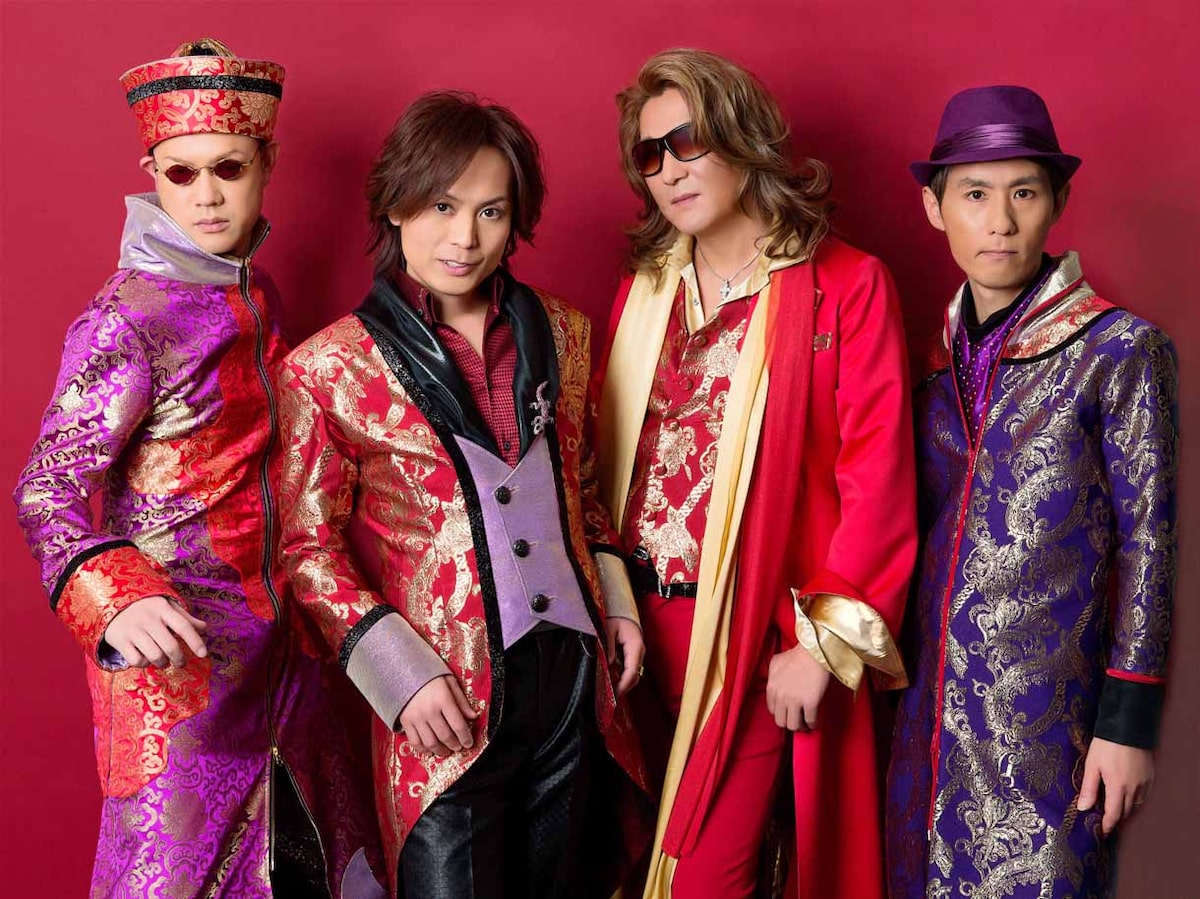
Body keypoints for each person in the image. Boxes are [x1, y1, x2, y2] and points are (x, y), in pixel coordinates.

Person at [13, 38, 383, 899]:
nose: (207, 194)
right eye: (182, 173)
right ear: (152, 174)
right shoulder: (127, 317)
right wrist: (117, 594)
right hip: (176, 671)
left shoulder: (257, 293)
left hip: (284, 662)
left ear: (266, 165)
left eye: (229, 167)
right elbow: (47, 487)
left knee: (318, 868)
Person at [275, 91, 653, 899]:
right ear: (395, 204)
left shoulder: (567, 332)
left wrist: (617, 605)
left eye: (491, 211)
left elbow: (583, 490)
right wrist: (398, 673)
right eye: (442, 206)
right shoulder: (327, 366)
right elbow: (306, 546)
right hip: (443, 693)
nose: (464, 238)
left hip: (575, 685)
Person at [594, 49, 916, 899]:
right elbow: (598, 466)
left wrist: (822, 643)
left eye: (688, 141)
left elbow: (877, 483)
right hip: (630, 634)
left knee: (701, 880)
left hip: (748, 638)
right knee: (615, 864)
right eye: (649, 155)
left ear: (743, 136)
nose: (669, 170)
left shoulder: (845, 285)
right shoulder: (645, 290)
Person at [886, 85, 1178, 899]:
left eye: (1024, 193)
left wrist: (1127, 726)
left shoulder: (1119, 351)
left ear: (1058, 202)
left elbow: (1151, 543)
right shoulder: (928, 368)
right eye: (975, 195)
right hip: (921, 734)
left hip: (1054, 730)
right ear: (934, 207)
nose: (1000, 221)